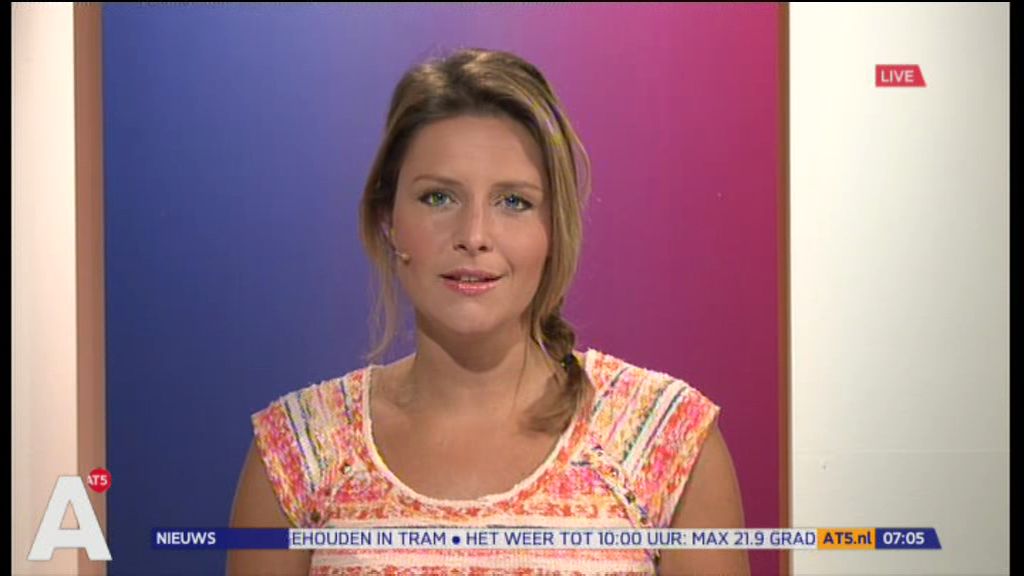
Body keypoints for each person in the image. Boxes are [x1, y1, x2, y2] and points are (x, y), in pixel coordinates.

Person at [228, 47, 748, 576]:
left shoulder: (665, 440)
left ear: (554, 229)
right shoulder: (300, 449)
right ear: (388, 220)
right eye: (438, 198)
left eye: (513, 202)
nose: (474, 236)